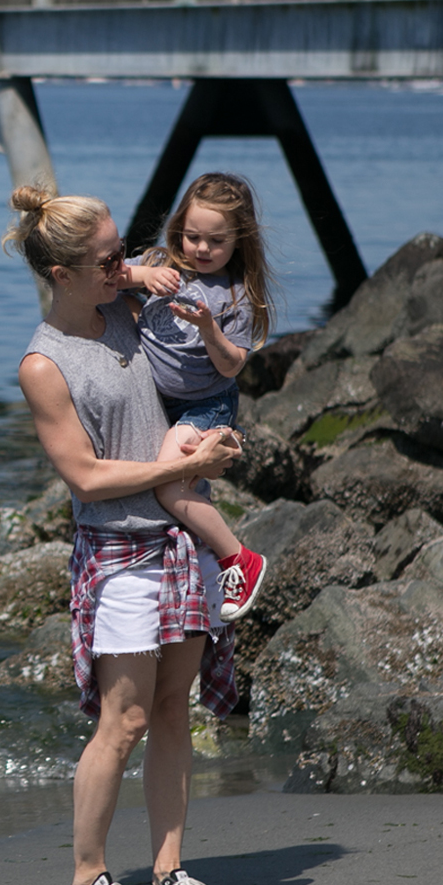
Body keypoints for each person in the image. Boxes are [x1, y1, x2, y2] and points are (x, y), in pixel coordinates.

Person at [6, 185, 239, 885]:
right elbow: (86, 476)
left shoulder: (132, 309)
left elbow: (201, 361)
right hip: (119, 553)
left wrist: (214, 447)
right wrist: (177, 473)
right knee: (125, 719)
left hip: (180, 543)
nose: (126, 264)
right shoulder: (45, 365)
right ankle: (86, 881)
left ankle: (168, 872)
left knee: (176, 710)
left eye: (122, 253)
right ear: (62, 274)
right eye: (109, 259)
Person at [119, 173, 275, 621]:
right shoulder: (159, 264)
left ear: (238, 242)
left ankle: (237, 558)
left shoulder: (236, 296)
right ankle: (198, 567)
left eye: (216, 241)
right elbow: (110, 277)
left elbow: (231, 366)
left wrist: (209, 328)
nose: (202, 250)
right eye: (193, 237)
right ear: (179, 231)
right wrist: (143, 274)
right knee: (173, 487)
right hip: (159, 403)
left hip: (206, 404)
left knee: (169, 484)